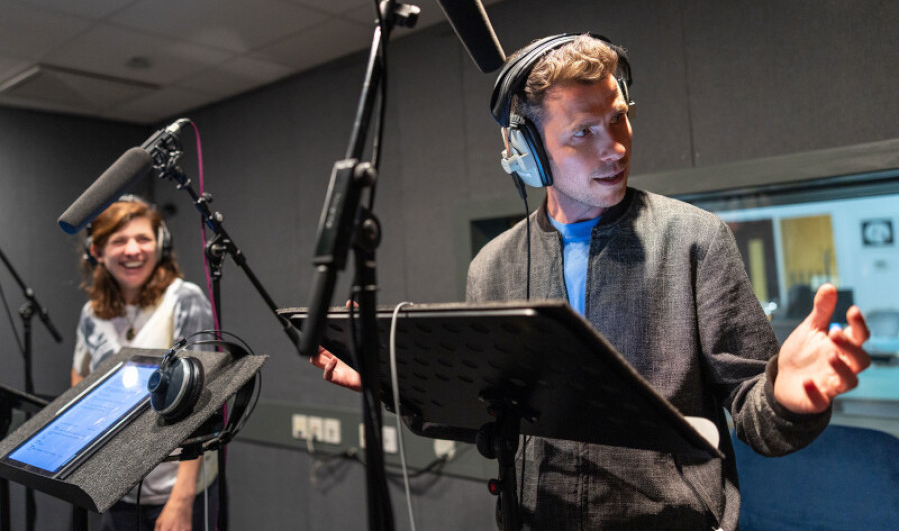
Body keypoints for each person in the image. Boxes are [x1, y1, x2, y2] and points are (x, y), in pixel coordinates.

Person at [312, 33, 871, 530]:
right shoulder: (494, 265)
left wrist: (785, 397)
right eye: (584, 132)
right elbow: (492, 422)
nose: (616, 147)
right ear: (528, 153)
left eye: (619, 118)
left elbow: (755, 414)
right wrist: (393, 382)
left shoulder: (695, 239)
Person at [72, 196, 218, 531]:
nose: (133, 250)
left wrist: (181, 499)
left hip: (177, 492)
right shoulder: (92, 313)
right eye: (119, 241)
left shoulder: (184, 299)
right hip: (119, 492)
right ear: (97, 252)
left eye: (143, 238)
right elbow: (79, 374)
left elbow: (202, 404)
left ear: (160, 244)